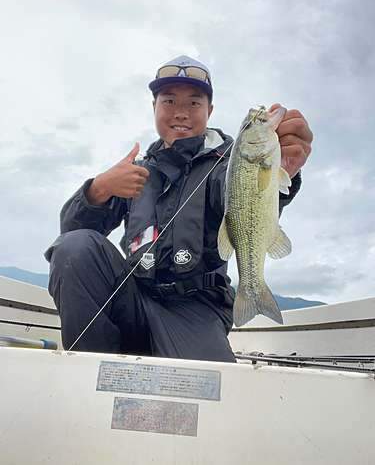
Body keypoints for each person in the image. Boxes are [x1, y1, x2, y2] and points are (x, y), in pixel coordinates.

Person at [45, 55, 313, 362]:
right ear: (154, 108)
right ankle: (90, 376)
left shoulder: (227, 166)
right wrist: (98, 189)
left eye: (194, 103)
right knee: (74, 247)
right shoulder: (134, 173)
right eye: (169, 101)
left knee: (212, 394)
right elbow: (72, 237)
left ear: (210, 111)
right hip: (131, 299)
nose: (181, 113)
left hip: (196, 308)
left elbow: (238, 200)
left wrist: (285, 171)